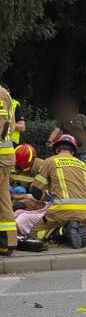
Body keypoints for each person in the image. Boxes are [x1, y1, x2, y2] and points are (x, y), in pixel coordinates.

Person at [26, 134, 86, 248]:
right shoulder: (81, 164)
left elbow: (36, 192)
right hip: (84, 211)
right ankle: (75, 227)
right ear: (73, 151)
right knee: (68, 219)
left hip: (61, 210)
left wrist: (47, 197)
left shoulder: (50, 161)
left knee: (35, 232)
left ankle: (63, 231)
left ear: (56, 149)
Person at [48, 95, 86, 172]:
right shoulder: (63, 119)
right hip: (70, 151)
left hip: (83, 151)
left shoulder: (81, 117)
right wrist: (49, 141)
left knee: (85, 172)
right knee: (70, 172)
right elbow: (56, 131)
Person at [0, 86, 17, 255]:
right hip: (4, 156)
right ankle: (7, 242)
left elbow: (1, 124)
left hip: (1, 156)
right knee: (3, 198)